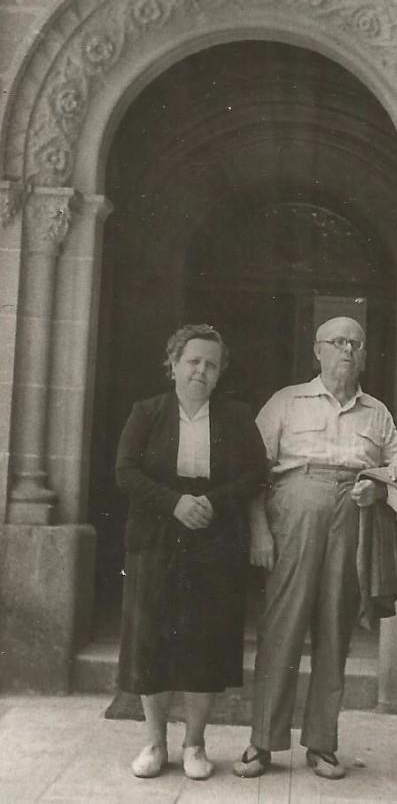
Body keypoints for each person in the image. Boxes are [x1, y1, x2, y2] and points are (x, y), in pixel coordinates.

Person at [234, 316, 397, 781]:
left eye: (356, 343)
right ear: (318, 350)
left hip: (352, 517)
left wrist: (379, 490)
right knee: (282, 626)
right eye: (338, 342)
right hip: (294, 513)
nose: (348, 350)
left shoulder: (378, 412)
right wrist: (259, 530)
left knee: (335, 628)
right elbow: (252, 472)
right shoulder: (286, 402)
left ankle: (322, 744)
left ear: (365, 355)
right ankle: (262, 741)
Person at [116, 324, 267, 781]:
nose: (202, 370)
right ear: (173, 364)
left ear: (220, 374)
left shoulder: (237, 417)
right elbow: (126, 472)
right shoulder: (147, 412)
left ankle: (195, 744)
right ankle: (154, 743)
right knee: (152, 639)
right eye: (193, 361)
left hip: (214, 536)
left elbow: (256, 474)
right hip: (156, 536)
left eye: (211, 365)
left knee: (206, 639)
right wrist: (174, 503)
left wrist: (213, 503)